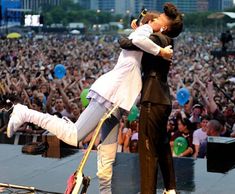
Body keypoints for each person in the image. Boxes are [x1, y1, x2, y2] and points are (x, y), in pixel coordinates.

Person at [7, 12, 173, 194]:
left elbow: (135, 42)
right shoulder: (145, 31)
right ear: (150, 22)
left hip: (118, 100)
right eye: (157, 19)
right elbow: (138, 40)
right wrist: (161, 51)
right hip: (111, 94)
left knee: (108, 152)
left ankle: (105, 191)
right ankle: (24, 112)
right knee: (74, 135)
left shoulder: (147, 34)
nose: (159, 22)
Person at [119, 3, 183, 194]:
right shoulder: (166, 40)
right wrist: (140, 30)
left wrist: (139, 31)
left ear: (164, 27)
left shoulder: (157, 38)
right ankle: (170, 187)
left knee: (147, 150)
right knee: (162, 144)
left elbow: (125, 42)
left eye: (159, 19)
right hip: (162, 98)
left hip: (152, 98)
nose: (154, 20)